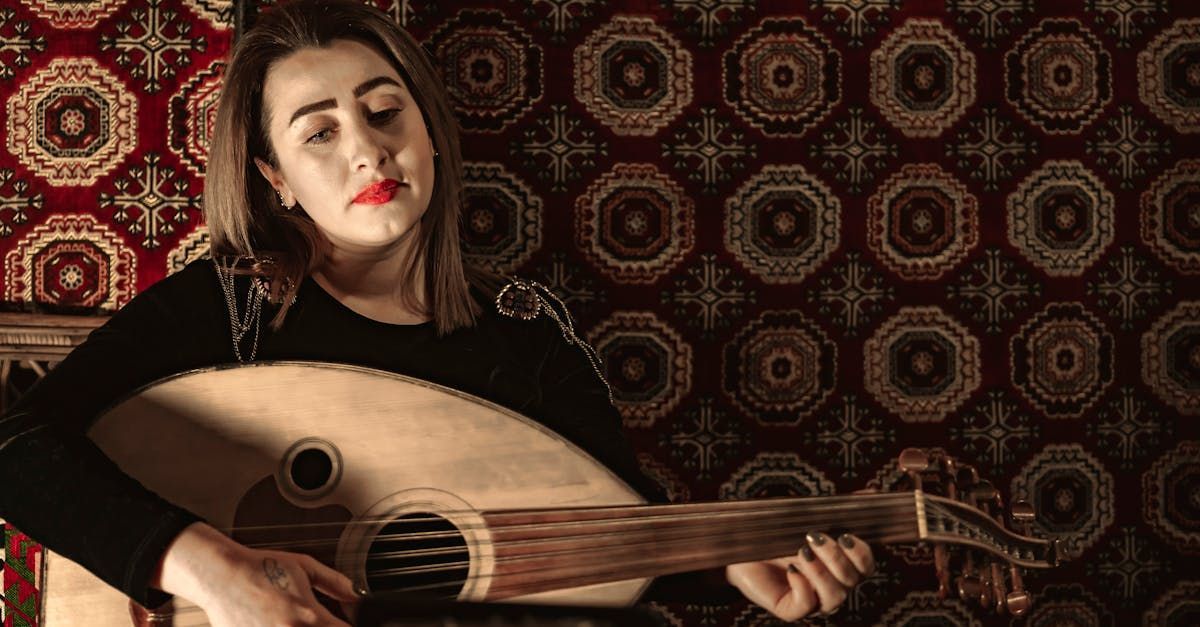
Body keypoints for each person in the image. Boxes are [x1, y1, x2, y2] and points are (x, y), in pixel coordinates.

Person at [0, 0, 874, 624]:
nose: (368, 147)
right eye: (319, 133)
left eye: (384, 111)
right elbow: (14, 446)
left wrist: (733, 571)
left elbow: (604, 540)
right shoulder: (233, 310)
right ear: (275, 180)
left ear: (429, 132)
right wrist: (218, 572)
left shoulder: (530, 337)